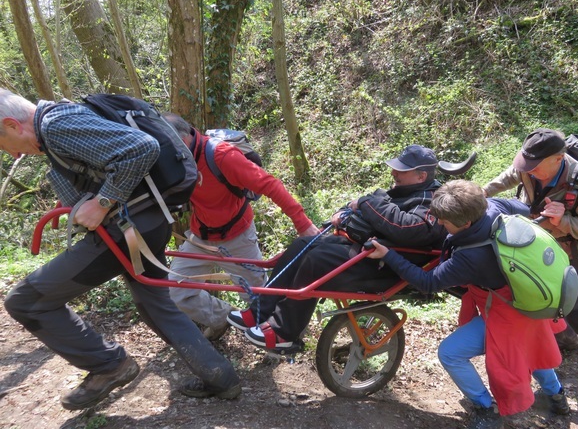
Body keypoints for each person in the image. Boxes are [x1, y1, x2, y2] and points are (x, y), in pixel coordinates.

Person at [0, 88, 240, 410]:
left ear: (13, 125)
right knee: (155, 303)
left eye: (3, 144)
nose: (12, 155)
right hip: (147, 222)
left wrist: (101, 203)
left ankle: (109, 366)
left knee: (26, 301)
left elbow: (140, 147)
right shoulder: (56, 127)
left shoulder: (55, 124)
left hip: (128, 228)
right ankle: (221, 378)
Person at [366, 180, 569, 429]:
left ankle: (486, 407)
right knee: (531, 347)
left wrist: (389, 255)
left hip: (506, 315)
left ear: (465, 224)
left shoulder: (471, 256)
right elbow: (526, 211)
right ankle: (558, 396)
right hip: (529, 302)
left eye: (445, 222)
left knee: (450, 353)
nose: (440, 224)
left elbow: (428, 282)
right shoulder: (494, 207)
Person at [226, 144, 448, 350]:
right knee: (303, 244)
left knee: (317, 260)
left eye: (402, 171)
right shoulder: (406, 190)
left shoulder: (431, 203)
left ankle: (284, 332)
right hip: (362, 251)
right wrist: (345, 213)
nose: (394, 174)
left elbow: (405, 228)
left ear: (422, 176)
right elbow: (375, 210)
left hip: (385, 265)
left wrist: (364, 203)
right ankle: (260, 311)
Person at [483, 128, 578, 376]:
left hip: (574, 251)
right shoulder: (529, 166)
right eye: (525, 164)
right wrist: (482, 193)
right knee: (544, 295)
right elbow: (510, 176)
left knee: (577, 306)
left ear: (558, 159)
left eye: (535, 166)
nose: (528, 170)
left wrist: (562, 221)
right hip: (542, 245)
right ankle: (567, 339)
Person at [162, 114, 320, 340]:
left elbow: (269, 184)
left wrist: (302, 223)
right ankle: (225, 318)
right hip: (200, 237)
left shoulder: (221, 155)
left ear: (184, 140)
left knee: (258, 298)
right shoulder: (177, 159)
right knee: (176, 290)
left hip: (237, 236)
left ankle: (276, 337)